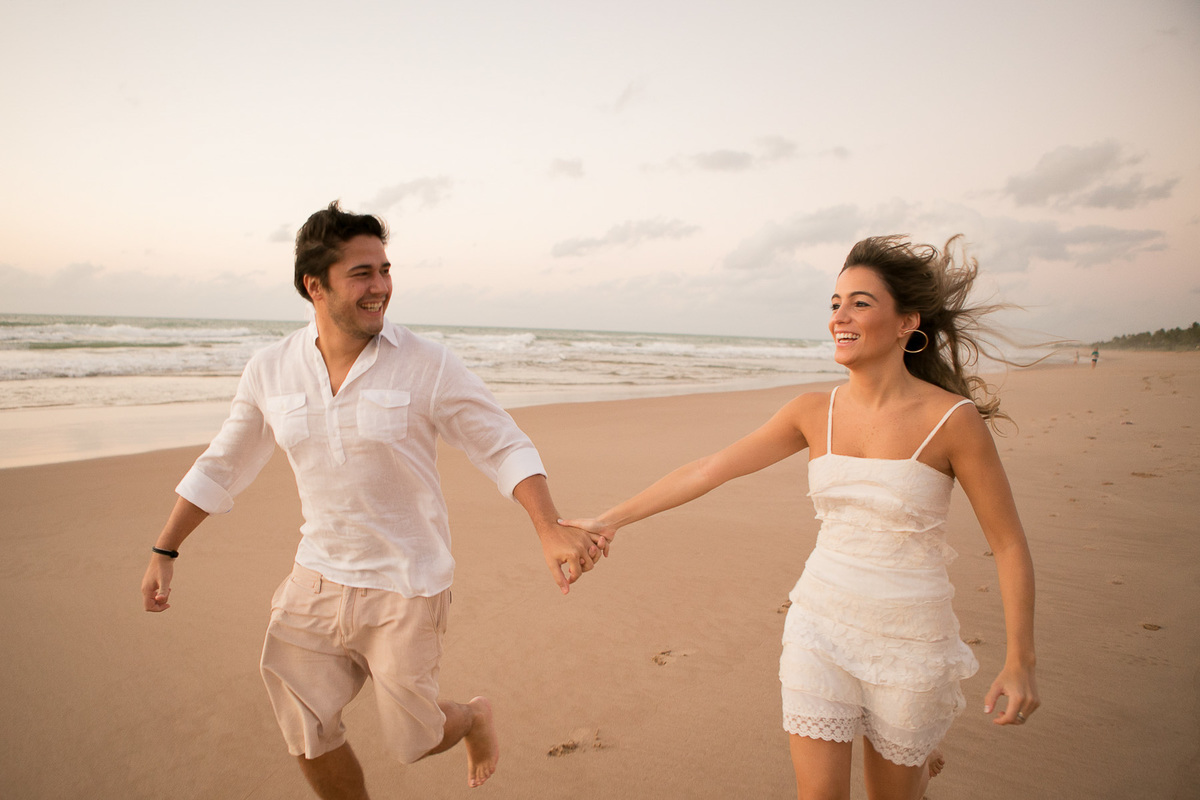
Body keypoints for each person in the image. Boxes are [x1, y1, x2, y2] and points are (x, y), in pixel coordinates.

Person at [140, 201, 602, 798]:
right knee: (304, 730)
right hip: (316, 579)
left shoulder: (427, 364)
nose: (381, 287)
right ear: (315, 286)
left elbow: (502, 443)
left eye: (385, 270)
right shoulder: (270, 369)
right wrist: (165, 549)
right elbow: (222, 464)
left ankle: (471, 717)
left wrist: (547, 527)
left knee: (413, 740)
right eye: (363, 274)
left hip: (407, 585)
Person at [563, 235, 1039, 800]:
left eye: (860, 302)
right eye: (835, 303)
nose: (840, 315)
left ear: (908, 321)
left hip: (908, 637)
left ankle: (918, 753)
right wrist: (608, 518)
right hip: (820, 623)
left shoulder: (952, 420)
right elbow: (710, 468)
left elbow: (1008, 544)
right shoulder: (813, 411)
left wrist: (1019, 659)